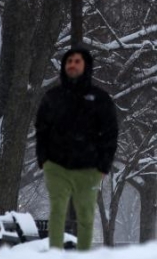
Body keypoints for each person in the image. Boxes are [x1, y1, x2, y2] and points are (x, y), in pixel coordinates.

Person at [34, 48, 119, 251]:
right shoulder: (52, 97)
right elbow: (41, 129)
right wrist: (43, 159)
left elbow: (110, 133)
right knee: (57, 212)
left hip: (89, 169)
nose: (72, 64)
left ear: (86, 66)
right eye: (69, 61)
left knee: (86, 216)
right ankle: (54, 253)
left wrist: (103, 166)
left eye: (77, 61)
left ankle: (84, 255)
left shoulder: (100, 99)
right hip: (56, 167)